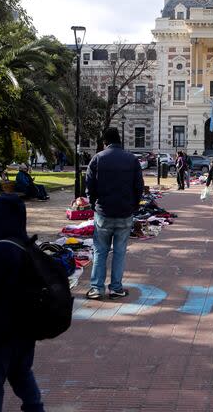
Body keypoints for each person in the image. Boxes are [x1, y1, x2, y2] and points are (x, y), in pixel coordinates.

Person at [0, 194, 45, 412]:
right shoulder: (27, 245)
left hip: (1, 328)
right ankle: (35, 407)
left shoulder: (0, 250)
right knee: (21, 372)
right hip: (26, 326)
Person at [85, 127, 144, 300]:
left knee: (100, 251)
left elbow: (89, 185)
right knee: (119, 252)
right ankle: (116, 288)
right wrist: (133, 205)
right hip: (125, 213)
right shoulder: (132, 159)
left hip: (103, 212)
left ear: (105, 142)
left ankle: (96, 288)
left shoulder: (97, 159)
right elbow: (139, 186)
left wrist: (94, 203)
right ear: (120, 141)